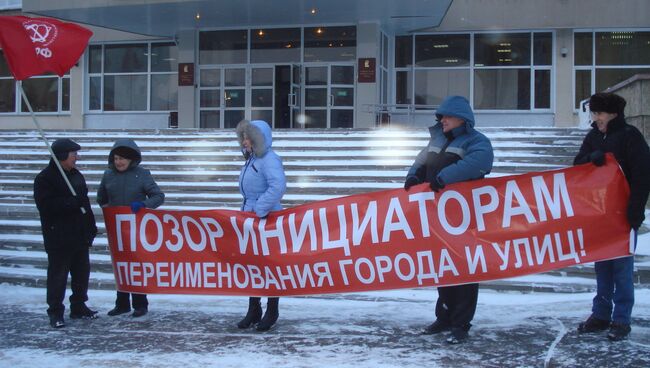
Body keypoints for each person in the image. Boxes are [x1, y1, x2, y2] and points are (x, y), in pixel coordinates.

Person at [404, 95, 494, 344]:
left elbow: (481, 162)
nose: (442, 120)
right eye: (440, 116)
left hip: (464, 218)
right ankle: (443, 317)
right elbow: (421, 161)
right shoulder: (438, 139)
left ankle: (460, 323)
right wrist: (413, 176)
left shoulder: (477, 141)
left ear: (461, 119)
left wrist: (444, 177)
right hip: (438, 217)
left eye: (446, 116)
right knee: (443, 268)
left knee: (464, 270)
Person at [574, 92, 650, 341]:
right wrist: (590, 159)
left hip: (623, 214)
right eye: (593, 114)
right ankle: (601, 314)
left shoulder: (630, 137)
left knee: (622, 269)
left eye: (599, 114)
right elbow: (576, 166)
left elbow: (642, 176)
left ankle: (621, 319)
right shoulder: (594, 136)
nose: (595, 119)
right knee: (602, 267)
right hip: (600, 215)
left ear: (613, 114)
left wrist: (635, 211)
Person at [34, 138, 98, 328]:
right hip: (58, 237)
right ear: (62, 156)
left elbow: (84, 203)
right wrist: (71, 202)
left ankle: (78, 306)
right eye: (73, 154)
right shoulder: (45, 178)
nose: (76, 158)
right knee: (58, 276)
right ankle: (55, 312)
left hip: (79, 235)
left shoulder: (77, 176)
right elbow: (45, 206)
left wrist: (90, 226)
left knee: (81, 274)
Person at [97, 139, 165, 318]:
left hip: (137, 230)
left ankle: (140, 304)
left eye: (123, 159)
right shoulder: (108, 175)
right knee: (120, 265)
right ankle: (121, 304)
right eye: (117, 158)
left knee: (136, 266)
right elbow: (101, 197)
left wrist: (143, 205)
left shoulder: (142, 174)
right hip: (117, 230)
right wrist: (110, 211)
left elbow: (158, 196)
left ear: (132, 160)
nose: (119, 162)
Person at [235, 119, 287, 332]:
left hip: (266, 220)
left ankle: (271, 310)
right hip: (250, 219)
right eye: (243, 137)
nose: (245, 142)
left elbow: (278, 186)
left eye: (249, 138)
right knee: (252, 265)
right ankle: (253, 309)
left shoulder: (269, 160)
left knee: (269, 266)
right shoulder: (252, 160)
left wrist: (259, 210)